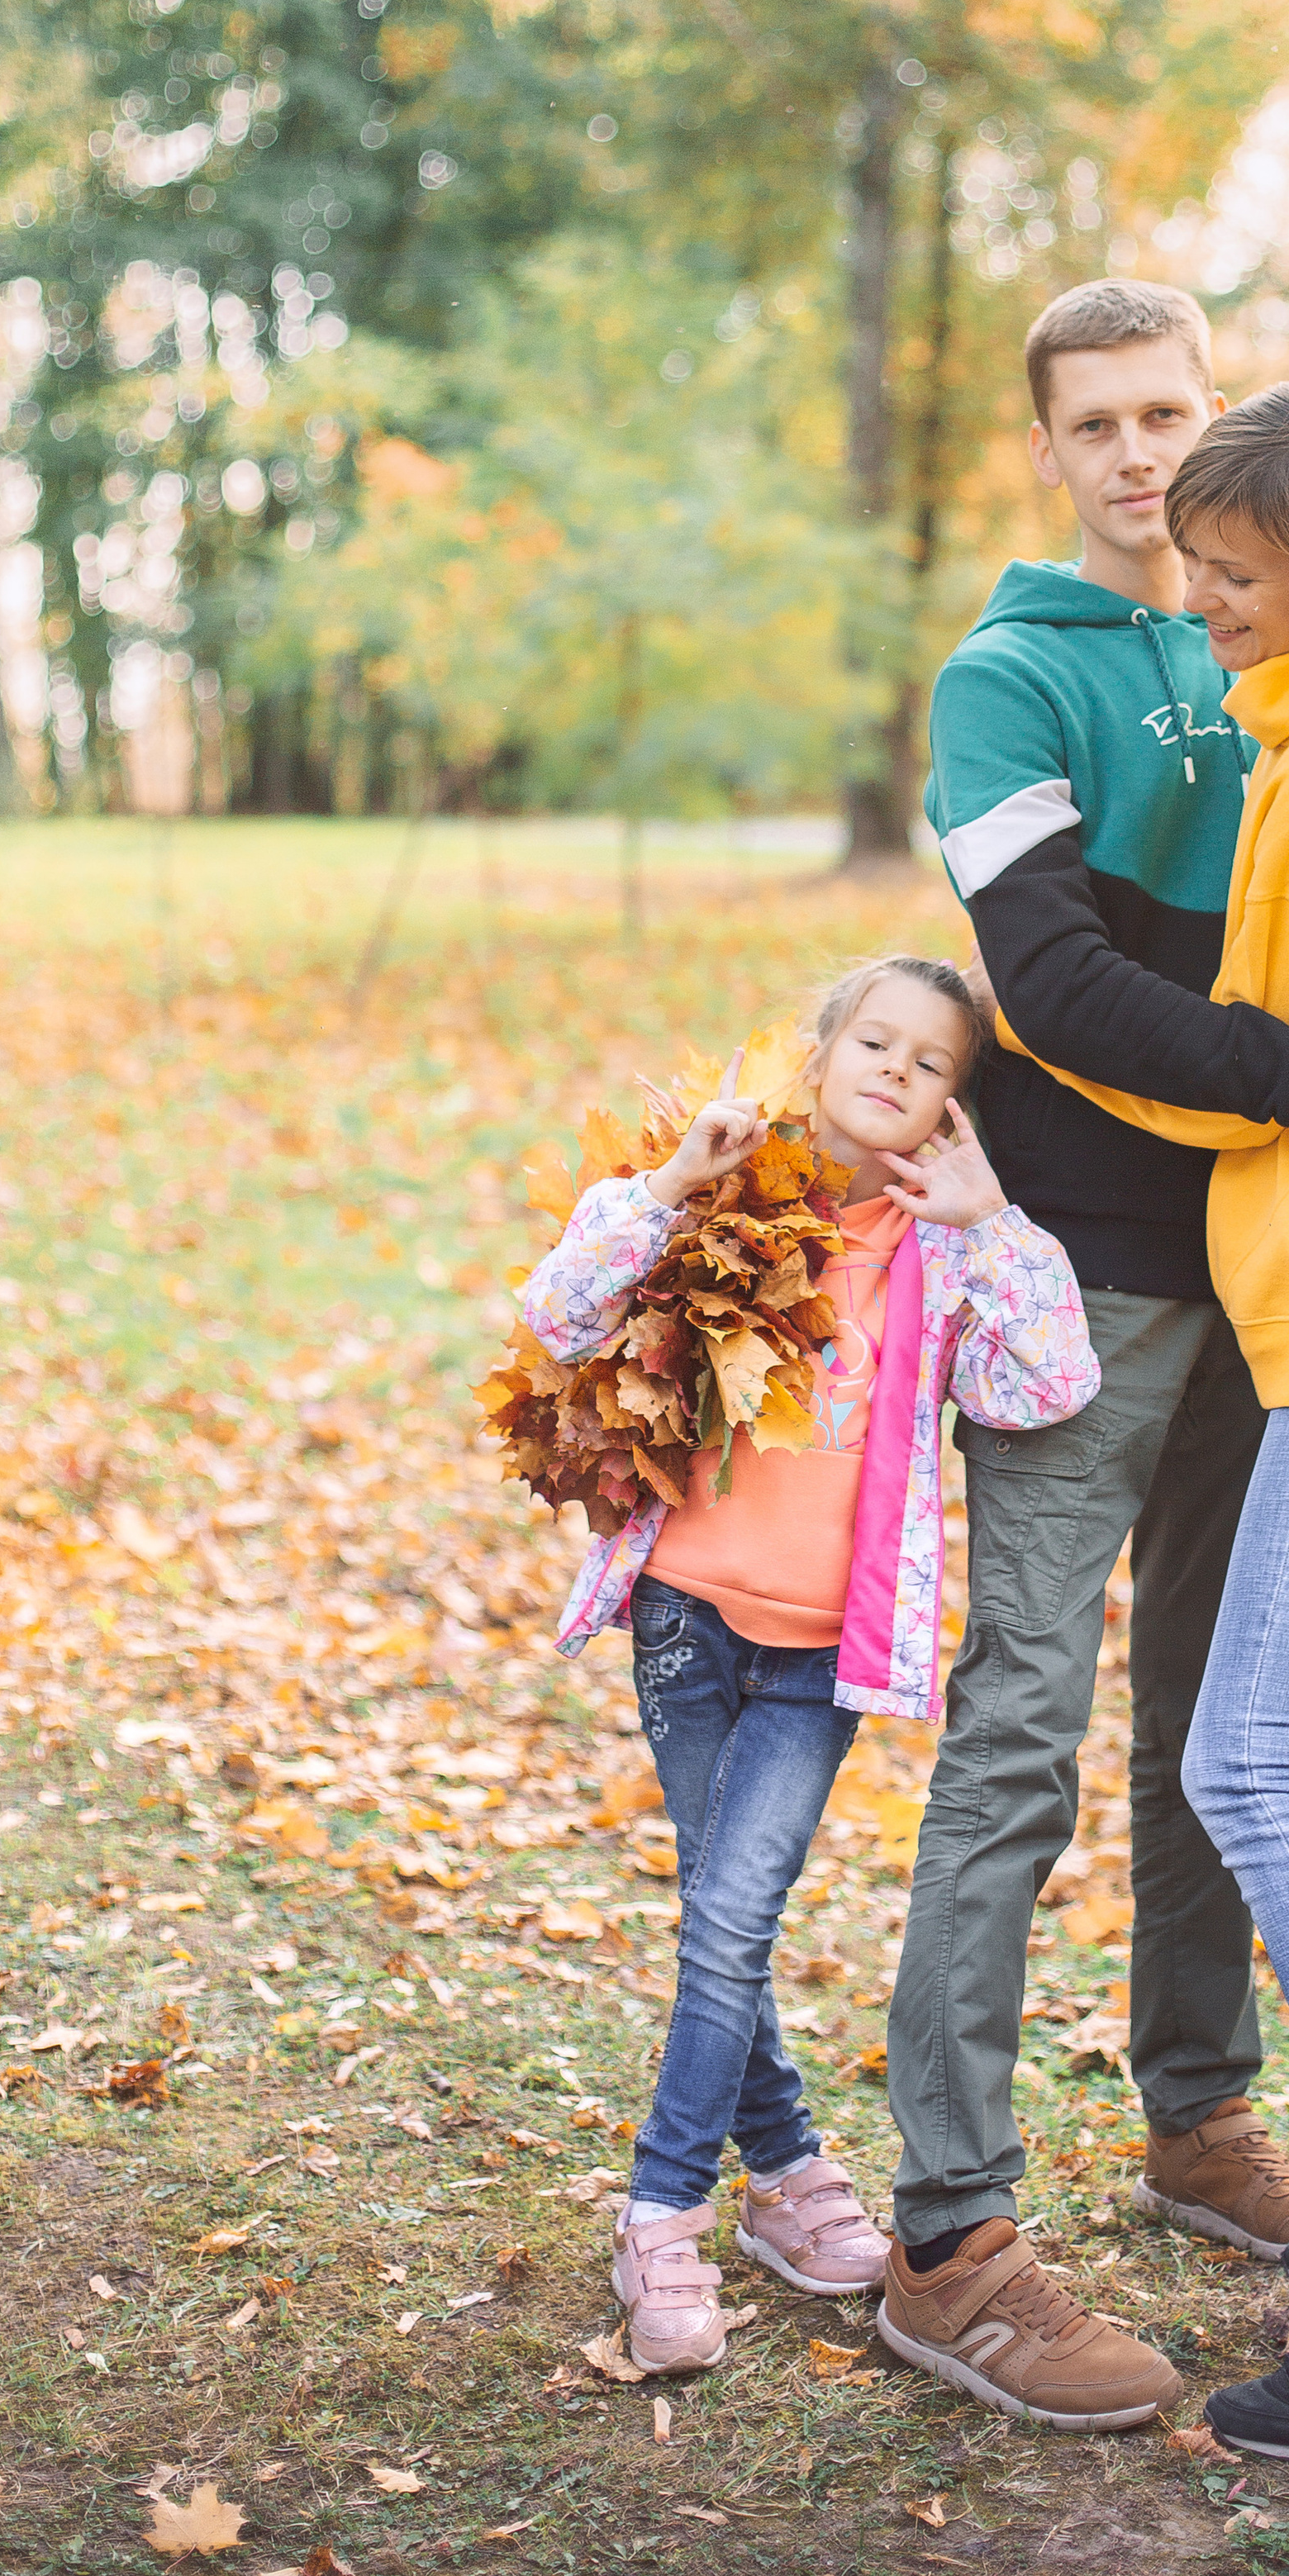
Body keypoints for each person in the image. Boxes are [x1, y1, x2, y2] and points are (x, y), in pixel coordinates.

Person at [876, 282, 1289, 2431]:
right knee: (1021, 1732)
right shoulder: (1011, 684)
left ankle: (1206, 2121)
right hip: (1092, 1275)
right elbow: (1063, 989)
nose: (1145, 462)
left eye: (1172, 414)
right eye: (1098, 424)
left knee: (1219, 1730)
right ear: (1051, 443)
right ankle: (955, 2230)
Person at [516, 958, 1100, 2380]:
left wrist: (999, 1223)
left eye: (933, 1066)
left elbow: (1050, 1386)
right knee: (727, 1922)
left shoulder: (943, 1248)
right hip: (682, 1616)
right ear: (822, 1049)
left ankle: (678, 2205)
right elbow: (557, 1317)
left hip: (817, 1655)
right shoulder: (729, 1194)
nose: (896, 1073)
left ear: (955, 1108)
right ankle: (753, 2185)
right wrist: (665, 1191)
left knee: (728, 1921)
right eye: (877, 1042)